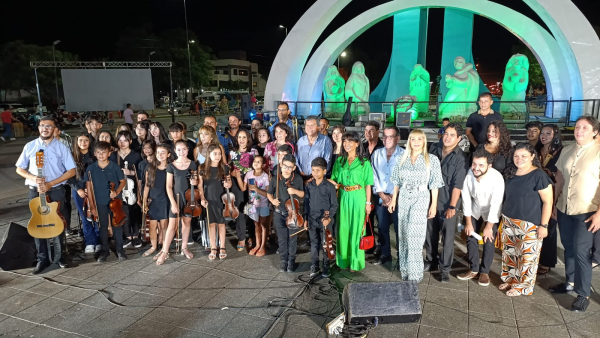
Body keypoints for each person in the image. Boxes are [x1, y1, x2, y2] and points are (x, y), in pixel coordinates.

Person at [550, 116, 600, 312]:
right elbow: (559, 179)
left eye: (585, 128)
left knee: (581, 252)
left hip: (587, 211)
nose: (579, 130)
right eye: (577, 127)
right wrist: (554, 203)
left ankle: (583, 293)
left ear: (595, 131)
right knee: (568, 247)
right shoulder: (568, 149)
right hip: (565, 208)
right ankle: (569, 281)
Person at [16, 117, 76, 273]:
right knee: (38, 224)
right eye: (43, 125)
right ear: (39, 127)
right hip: (35, 190)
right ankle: (42, 259)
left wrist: (50, 183)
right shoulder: (30, 146)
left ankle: (60, 257)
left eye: (49, 126)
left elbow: (71, 171)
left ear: (54, 129)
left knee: (58, 223)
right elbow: (19, 169)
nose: (45, 128)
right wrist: (34, 178)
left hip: (56, 190)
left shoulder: (61, 147)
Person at [389, 129, 444, 282]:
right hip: (404, 197)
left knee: (415, 236)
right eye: (413, 139)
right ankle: (405, 270)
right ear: (409, 141)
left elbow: (435, 185)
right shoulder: (402, 158)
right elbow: (396, 181)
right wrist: (393, 200)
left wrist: (433, 205)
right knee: (404, 234)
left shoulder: (431, 159)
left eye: (420, 139)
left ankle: (415, 274)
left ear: (424, 141)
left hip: (421, 198)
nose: (417, 142)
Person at [499, 143, 552, 296]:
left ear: (532, 157)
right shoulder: (510, 172)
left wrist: (544, 225)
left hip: (530, 223)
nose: (519, 159)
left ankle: (524, 286)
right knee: (510, 253)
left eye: (524, 156)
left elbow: (548, 201)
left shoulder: (539, 175)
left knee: (528, 257)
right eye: (516, 156)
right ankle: (510, 279)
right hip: (509, 219)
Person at [425, 123, 468, 282]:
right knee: (430, 233)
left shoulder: (460, 158)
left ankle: (445, 269)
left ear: (459, 138)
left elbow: (458, 185)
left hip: (448, 203)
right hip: (431, 199)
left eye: (452, 135)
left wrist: (452, 206)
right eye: (446, 133)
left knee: (448, 236)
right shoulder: (434, 149)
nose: (447, 137)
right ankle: (431, 261)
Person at [458, 148, 505, 286]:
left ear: (489, 166)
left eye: (481, 165)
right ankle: (473, 269)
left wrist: (489, 226)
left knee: (488, 240)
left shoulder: (497, 178)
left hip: (492, 211)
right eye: (474, 164)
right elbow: (466, 198)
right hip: (475, 208)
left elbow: (496, 204)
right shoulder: (469, 174)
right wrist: (468, 223)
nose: (476, 168)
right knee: (470, 236)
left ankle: (484, 272)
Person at [330, 131, 374, 272]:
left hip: (358, 196)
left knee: (357, 229)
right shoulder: (339, 161)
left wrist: (368, 203)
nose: (346, 144)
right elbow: (334, 180)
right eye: (344, 141)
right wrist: (318, 179)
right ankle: (343, 261)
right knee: (343, 228)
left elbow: (368, 184)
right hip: (342, 196)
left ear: (357, 143)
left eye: (350, 141)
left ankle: (356, 262)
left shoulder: (364, 162)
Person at [82, 141, 128, 262]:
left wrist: (116, 192)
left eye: (104, 152)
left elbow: (123, 181)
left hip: (115, 201)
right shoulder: (91, 168)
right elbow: (89, 188)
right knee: (102, 226)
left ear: (109, 153)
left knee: (117, 225)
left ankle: (120, 250)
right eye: (98, 152)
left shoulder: (114, 166)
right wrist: (92, 206)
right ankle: (104, 251)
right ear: (95, 154)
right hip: (99, 201)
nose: (101, 155)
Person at [156, 140, 199, 265]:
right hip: (176, 198)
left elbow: (196, 182)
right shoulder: (171, 166)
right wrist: (173, 203)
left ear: (188, 150)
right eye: (179, 149)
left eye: (184, 149)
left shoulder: (192, 165)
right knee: (172, 226)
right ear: (175, 151)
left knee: (186, 223)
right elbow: (168, 186)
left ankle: (184, 247)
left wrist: (194, 182)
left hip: (189, 198)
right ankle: (165, 251)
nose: (182, 152)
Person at [370, 126, 404, 265]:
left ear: (397, 138)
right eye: (384, 136)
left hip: (399, 197)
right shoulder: (377, 154)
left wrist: (393, 196)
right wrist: (383, 195)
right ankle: (385, 254)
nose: (386, 139)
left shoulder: (404, 154)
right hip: (381, 197)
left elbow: (405, 177)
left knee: (399, 228)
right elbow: (373, 176)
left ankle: (402, 256)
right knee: (382, 227)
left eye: (390, 136)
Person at [267, 154, 305, 272]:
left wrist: (294, 191)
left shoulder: (297, 179)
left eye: (290, 167)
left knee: (292, 239)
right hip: (279, 213)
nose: (287, 169)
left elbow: (302, 194)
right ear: (281, 165)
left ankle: (291, 261)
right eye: (285, 166)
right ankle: (284, 260)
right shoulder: (275, 179)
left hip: (293, 214)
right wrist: (273, 200)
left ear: (294, 168)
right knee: (282, 239)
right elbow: (269, 193)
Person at [535, 124, 563, 275]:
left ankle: (547, 261)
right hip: (537, 193)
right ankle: (536, 256)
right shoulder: (536, 150)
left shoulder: (561, 153)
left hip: (553, 193)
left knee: (550, 228)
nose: (543, 136)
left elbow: (560, 178)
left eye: (548, 133)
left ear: (555, 135)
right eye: (542, 133)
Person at [304, 157, 339, 277]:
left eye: (318, 170)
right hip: (312, 219)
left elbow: (334, 205)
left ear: (324, 171)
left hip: (325, 220)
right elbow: (306, 204)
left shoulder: (329, 186)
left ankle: (326, 266)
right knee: (314, 244)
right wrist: (305, 219)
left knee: (326, 244)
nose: (315, 173)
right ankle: (314, 265)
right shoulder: (309, 185)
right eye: (313, 170)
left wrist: (329, 218)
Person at [229, 129, 259, 250]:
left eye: (244, 137)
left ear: (248, 139)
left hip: (251, 181)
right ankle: (241, 238)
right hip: (237, 182)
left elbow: (257, 167)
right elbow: (229, 170)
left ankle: (251, 235)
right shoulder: (232, 153)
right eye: (239, 137)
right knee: (240, 209)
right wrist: (233, 174)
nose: (241, 140)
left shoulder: (254, 151)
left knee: (252, 208)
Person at [200, 144, 231, 260]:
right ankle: (213, 246)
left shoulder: (224, 167)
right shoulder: (203, 168)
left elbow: (229, 182)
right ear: (209, 154)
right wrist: (202, 198)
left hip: (221, 199)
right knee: (211, 224)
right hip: (209, 199)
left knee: (221, 223)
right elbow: (200, 185)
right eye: (215, 154)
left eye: (219, 154)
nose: (218, 156)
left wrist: (228, 184)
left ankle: (222, 246)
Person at [70, 132, 100, 253]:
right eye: (80, 140)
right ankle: (89, 241)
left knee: (96, 215)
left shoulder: (95, 155)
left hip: (94, 188)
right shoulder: (71, 156)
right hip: (78, 189)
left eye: (86, 140)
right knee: (84, 216)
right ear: (77, 142)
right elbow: (68, 176)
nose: (83, 143)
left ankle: (98, 241)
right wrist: (78, 189)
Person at [115, 131, 143, 249]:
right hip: (119, 188)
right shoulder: (113, 155)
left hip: (132, 188)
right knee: (123, 210)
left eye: (125, 140)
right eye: (120, 140)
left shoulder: (136, 155)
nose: (122, 143)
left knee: (134, 210)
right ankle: (127, 235)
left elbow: (141, 172)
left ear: (130, 141)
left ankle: (136, 235)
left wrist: (131, 172)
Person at [141, 144, 170, 258]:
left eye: (163, 152)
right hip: (153, 200)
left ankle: (164, 248)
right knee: (152, 226)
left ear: (168, 154)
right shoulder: (150, 167)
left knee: (164, 225)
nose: (160, 155)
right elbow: (147, 186)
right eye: (158, 152)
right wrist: (144, 201)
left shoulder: (170, 168)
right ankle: (153, 246)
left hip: (165, 199)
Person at [241, 155, 270, 257]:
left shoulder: (265, 176)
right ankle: (257, 245)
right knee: (256, 224)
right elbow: (243, 188)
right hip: (253, 204)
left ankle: (263, 246)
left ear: (263, 165)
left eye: (259, 162)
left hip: (263, 204)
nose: (256, 163)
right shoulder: (249, 174)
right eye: (254, 161)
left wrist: (257, 189)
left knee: (264, 225)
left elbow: (267, 193)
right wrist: (236, 176)